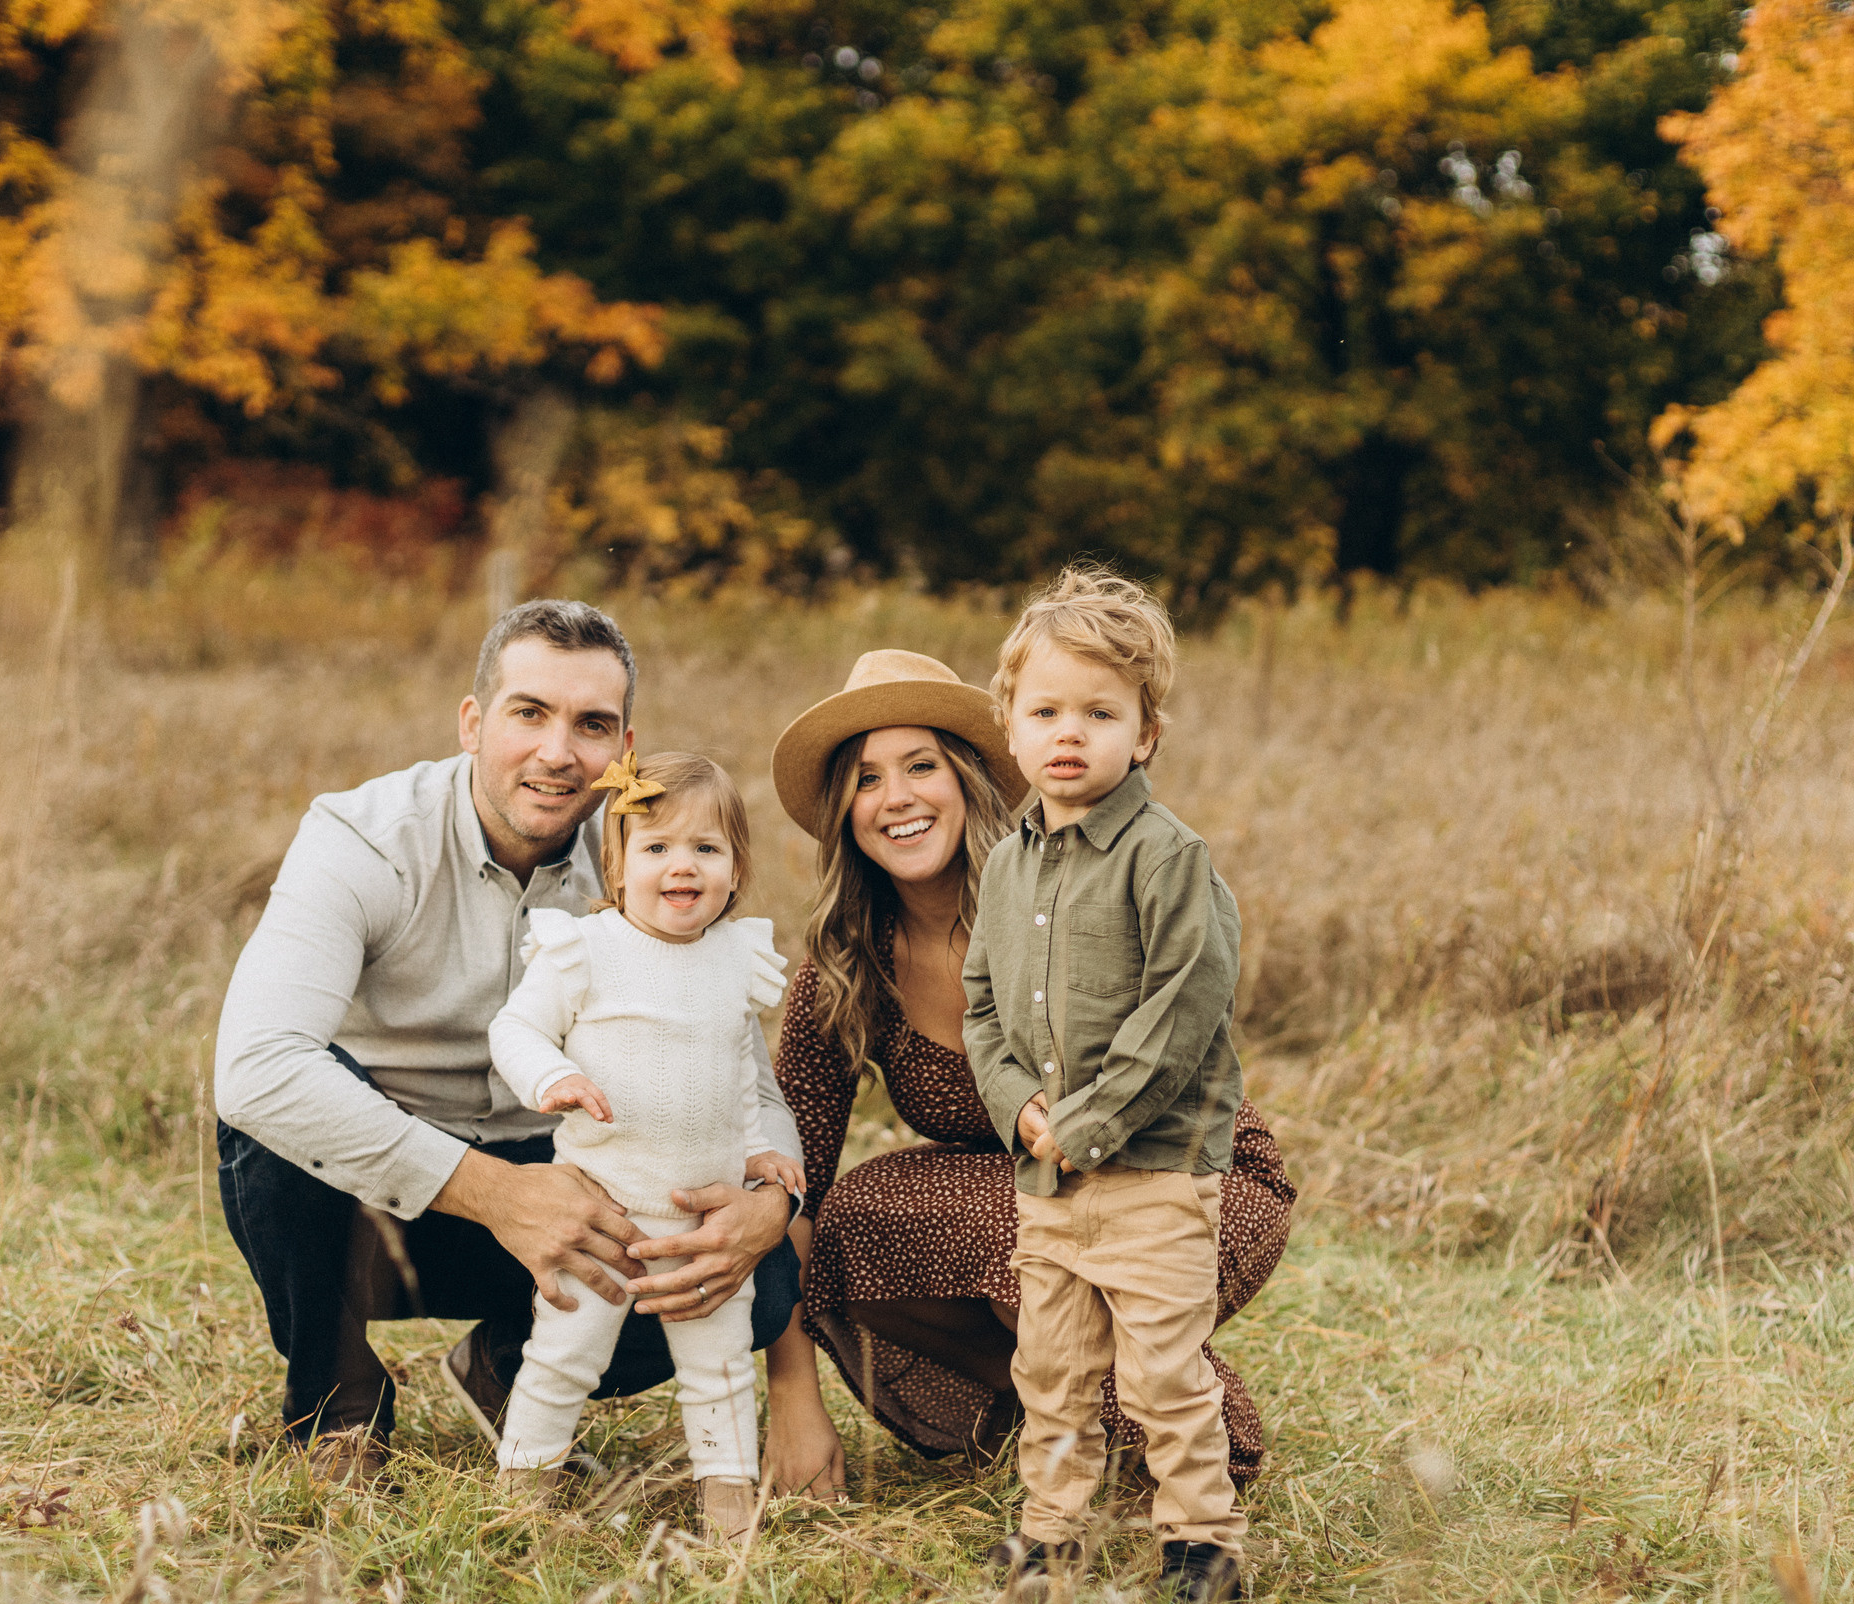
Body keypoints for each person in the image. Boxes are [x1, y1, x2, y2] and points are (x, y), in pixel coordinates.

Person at [212, 601, 802, 1481]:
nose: (559, 752)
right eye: (529, 713)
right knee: (277, 1124)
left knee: (764, 1290)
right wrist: (493, 1192)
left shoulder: (655, 858)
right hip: (384, 1211)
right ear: (473, 722)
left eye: (591, 725)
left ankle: (512, 1371)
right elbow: (255, 1069)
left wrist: (770, 1198)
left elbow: (742, 1071)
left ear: (624, 748)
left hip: (581, 1192)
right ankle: (336, 1402)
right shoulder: (364, 837)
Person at [755, 648, 1294, 1525]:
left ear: (968, 776)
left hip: (1185, 1170)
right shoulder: (848, 962)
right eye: (865, 779)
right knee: (857, 1214)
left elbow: (1179, 1019)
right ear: (841, 811)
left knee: (1014, 1224)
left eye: (921, 765)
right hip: (1030, 1194)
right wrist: (794, 1397)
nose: (896, 798)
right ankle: (1044, 1429)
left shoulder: (1059, 887)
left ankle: (1189, 1448)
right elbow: (789, 1179)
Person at [965, 568, 1250, 1604]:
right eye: (1045, 711)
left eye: (1099, 712)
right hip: (1047, 1179)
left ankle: (1201, 1546)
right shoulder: (1004, 868)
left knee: (1165, 1376)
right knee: (1050, 1370)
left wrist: (1089, 1122)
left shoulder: (1168, 860)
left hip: (1152, 1174)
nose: (1068, 734)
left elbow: (1183, 1010)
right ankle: (1052, 1536)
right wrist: (1017, 1106)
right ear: (1010, 727)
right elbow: (982, 1007)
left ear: (1146, 734)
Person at [487, 752, 801, 1541]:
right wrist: (550, 1074)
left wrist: (759, 1150)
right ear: (618, 865)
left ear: (736, 868)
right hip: (604, 1213)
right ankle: (522, 1488)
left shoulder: (734, 960)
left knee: (721, 1366)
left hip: (700, 1221)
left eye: (706, 848)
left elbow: (735, 1072)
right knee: (565, 1351)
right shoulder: (586, 950)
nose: (681, 866)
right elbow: (514, 1029)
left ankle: (727, 1507)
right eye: (656, 848)